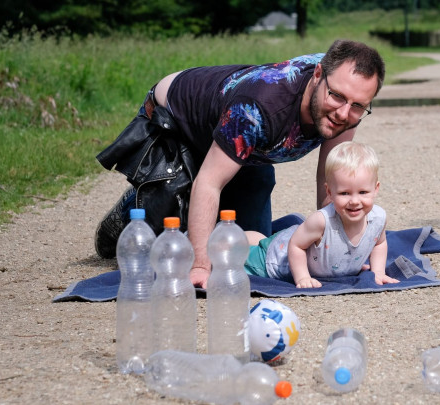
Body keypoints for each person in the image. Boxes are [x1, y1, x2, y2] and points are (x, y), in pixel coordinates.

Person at [95, 39, 385, 289]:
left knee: (248, 253)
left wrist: (337, 249)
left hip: (243, 144)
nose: (344, 112)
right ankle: (134, 205)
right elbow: (209, 183)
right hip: (176, 121)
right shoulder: (256, 109)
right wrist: (198, 265)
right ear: (318, 75)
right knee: (173, 249)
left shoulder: (346, 102)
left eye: (358, 105)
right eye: (337, 97)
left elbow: (331, 178)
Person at [243, 141, 399, 288]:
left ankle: (254, 238)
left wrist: (378, 273)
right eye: (344, 193)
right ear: (330, 192)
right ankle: (229, 238)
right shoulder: (322, 221)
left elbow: (379, 243)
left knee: (262, 241)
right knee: (234, 260)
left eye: (363, 192)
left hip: (293, 239)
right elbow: (296, 245)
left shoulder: (378, 219)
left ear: (376, 188)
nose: (354, 201)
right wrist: (303, 277)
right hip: (275, 260)